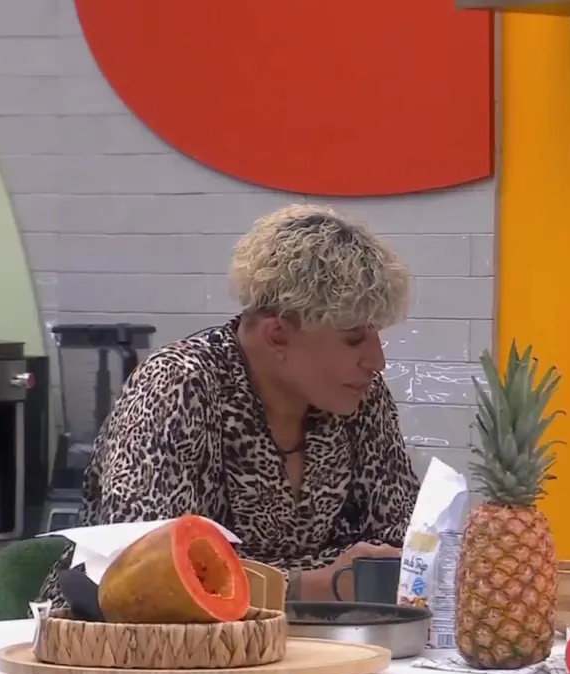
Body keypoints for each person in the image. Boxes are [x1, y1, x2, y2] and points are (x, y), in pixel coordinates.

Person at [37, 204, 419, 605]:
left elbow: (400, 545)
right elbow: (147, 571)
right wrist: (313, 585)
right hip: (114, 637)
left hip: (296, 637)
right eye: (354, 339)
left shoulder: (360, 396)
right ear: (277, 336)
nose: (377, 361)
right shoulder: (176, 385)